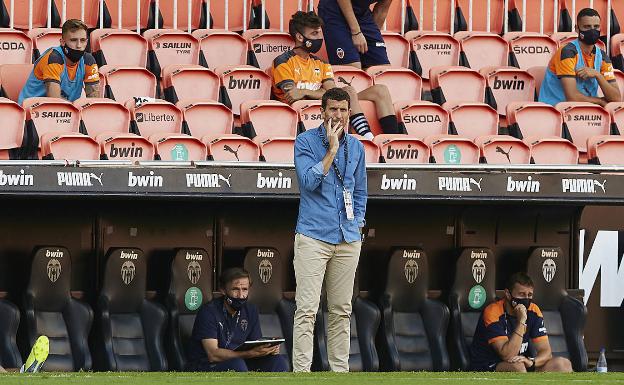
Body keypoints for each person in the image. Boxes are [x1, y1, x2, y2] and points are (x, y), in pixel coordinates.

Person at [292, 87, 367, 372]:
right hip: (313, 235)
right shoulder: (306, 141)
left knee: (341, 310)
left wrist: (358, 222)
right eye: (333, 109)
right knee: (307, 310)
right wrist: (332, 149)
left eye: (343, 110)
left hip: (348, 237)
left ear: (349, 113)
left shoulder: (358, 147)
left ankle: (340, 373)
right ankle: (301, 372)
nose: (338, 115)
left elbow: (359, 191)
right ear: (322, 111)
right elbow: (308, 182)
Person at [271, 11, 399, 139]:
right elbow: (293, 95)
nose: (319, 38)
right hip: (302, 112)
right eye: (314, 34)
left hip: (325, 103)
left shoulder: (321, 63)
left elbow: (331, 92)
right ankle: (367, 137)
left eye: (320, 33)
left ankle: (394, 139)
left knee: (379, 90)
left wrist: (304, 91)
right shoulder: (283, 61)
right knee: (347, 92)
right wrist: (319, 92)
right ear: (299, 37)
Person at [186, 268, 288, 372]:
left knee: (278, 361)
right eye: (235, 289)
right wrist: (249, 354)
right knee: (237, 364)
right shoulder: (208, 311)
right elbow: (213, 354)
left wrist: (267, 349)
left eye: (244, 289)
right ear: (223, 290)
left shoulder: (251, 310)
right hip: (207, 364)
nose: (240, 295)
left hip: (241, 361)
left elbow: (254, 344)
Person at [470, 272, 573, 372]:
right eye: (521, 294)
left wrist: (532, 362)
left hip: (521, 362)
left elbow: (546, 352)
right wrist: (521, 321)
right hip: (489, 365)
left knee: (563, 364)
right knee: (518, 367)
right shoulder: (493, 311)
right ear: (508, 294)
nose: (526, 299)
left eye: (529, 295)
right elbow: (507, 355)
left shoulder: (533, 310)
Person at [539, 8, 620, 107]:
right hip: (557, 110)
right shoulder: (567, 53)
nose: (592, 30)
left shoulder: (603, 57)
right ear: (577, 29)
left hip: (589, 111)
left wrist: (598, 75)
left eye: (596, 27)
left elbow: (616, 98)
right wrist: (599, 101)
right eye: (587, 27)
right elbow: (572, 97)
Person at [18, 19, 100, 105]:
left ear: (87, 42)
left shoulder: (88, 61)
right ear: (62, 42)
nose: (79, 45)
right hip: (32, 109)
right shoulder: (53, 59)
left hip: (65, 112)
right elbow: (55, 101)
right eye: (73, 40)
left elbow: (94, 101)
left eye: (82, 40)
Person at [318, 0, 393, 69]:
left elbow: (382, 9)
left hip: (362, 13)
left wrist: (371, 43)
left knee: (381, 70)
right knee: (353, 68)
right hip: (334, 10)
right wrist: (356, 32)